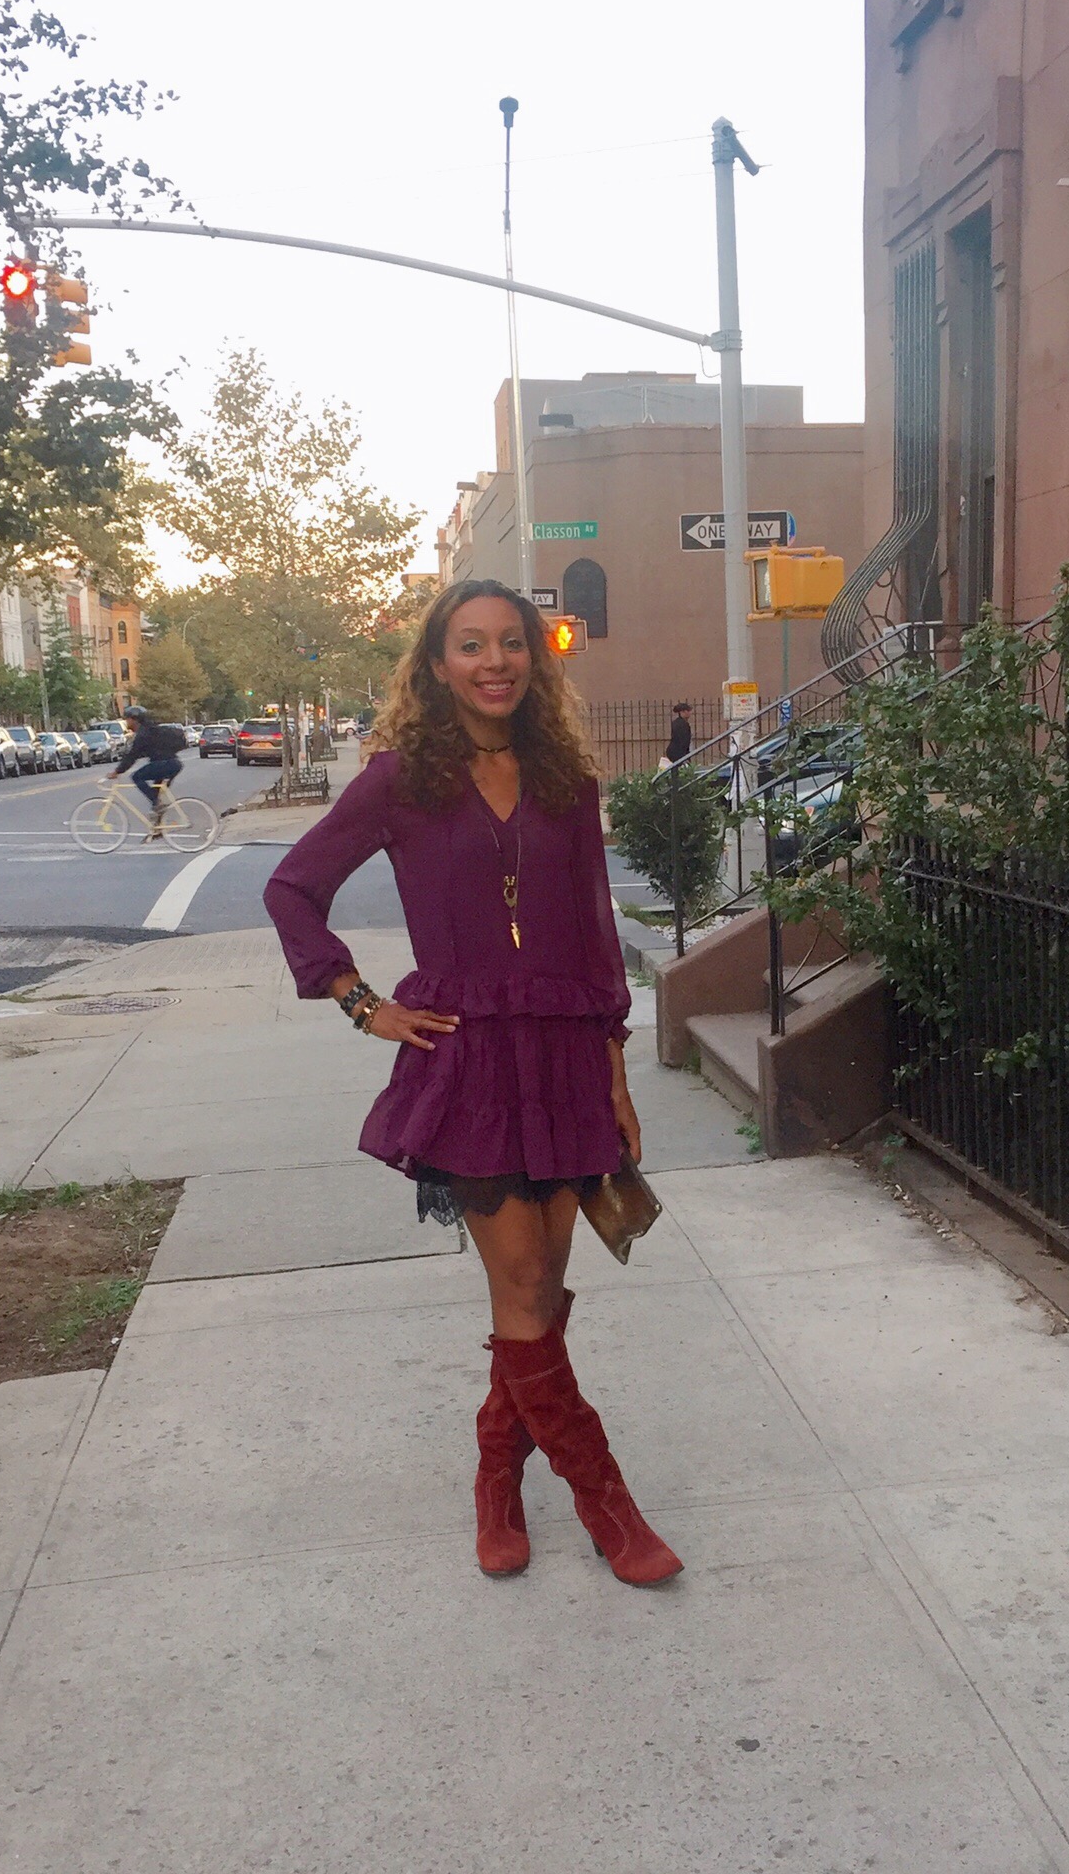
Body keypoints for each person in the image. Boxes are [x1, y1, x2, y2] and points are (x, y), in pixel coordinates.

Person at [263, 577, 683, 1588]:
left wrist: (617, 1071)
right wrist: (362, 1003)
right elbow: (292, 888)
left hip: (567, 1056)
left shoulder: (567, 780)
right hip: (469, 1061)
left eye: (511, 642)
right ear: (437, 664)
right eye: (471, 644)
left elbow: (594, 933)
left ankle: (497, 1475)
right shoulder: (399, 780)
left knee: (541, 1289)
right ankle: (609, 1505)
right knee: (527, 1282)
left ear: (535, 658)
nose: (495, 661)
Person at [112, 705, 183, 840]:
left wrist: (117, 771)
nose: (126, 722)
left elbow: (132, 756)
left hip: (165, 764)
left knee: (137, 777)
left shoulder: (143, 734)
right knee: (155, 798)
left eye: (127, 719)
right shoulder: (151, 730)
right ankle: (157, 829)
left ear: (134, 719)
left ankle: (157, 806)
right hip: (172, 764)